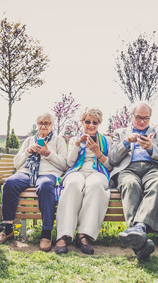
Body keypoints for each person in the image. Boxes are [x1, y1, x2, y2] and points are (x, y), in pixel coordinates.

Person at [0, 112, 67, 252]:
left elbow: (64, 164)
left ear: (52, 125)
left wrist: (48, 154)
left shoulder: (59, 141)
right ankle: (7, 228)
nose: (43, 126)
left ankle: (46, 233)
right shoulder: (29, 140)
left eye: (46, 123)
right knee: (9, 183)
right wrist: (27, 151)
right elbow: (17, 164)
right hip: (27, 173)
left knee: (45, 186)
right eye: (40, 123)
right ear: (37, 124)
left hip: (47, 174)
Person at [108, 101, 158, 260]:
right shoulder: (120, 132)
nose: (142, 121)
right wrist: (126, 142)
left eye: (146, 118)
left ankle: (139, 229)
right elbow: (113, 159)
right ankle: (140, 241)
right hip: (128, 169)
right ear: (131, 116)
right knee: (130, 184)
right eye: (139, 117)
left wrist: (150, 148)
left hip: (151, 168)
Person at [54, 107, 112, 255]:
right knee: (72, 184)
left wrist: (98, 152)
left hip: (98, 172)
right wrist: (77, 145)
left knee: (95, 185)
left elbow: (110, 165)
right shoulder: (75, 139)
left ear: (99, 123)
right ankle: (64, 234)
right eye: (88, 121)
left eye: (95, 122)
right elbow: (70, 162)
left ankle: (83, 234)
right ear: (82, 122)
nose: (91, 125)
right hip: (77, 171)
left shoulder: (106, 140)